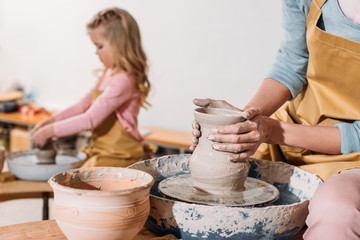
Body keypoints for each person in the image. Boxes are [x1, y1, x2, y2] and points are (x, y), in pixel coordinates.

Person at [191, 0, 360, 239]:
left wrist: (273, 131)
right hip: (297, 130)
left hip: (352, 159)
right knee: (223, 201)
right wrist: (243, 122)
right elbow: (292, 64)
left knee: (335, 211)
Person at [31, 7, 151, 168]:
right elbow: (81, 106)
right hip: (103, 151)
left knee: (77, 183)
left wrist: (48, 132)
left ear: (120, 45)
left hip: (120, 155)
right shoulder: (108, 73)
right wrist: (50, 121)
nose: (96, 52)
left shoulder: (123, 80)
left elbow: (90, 119)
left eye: (100, 46)